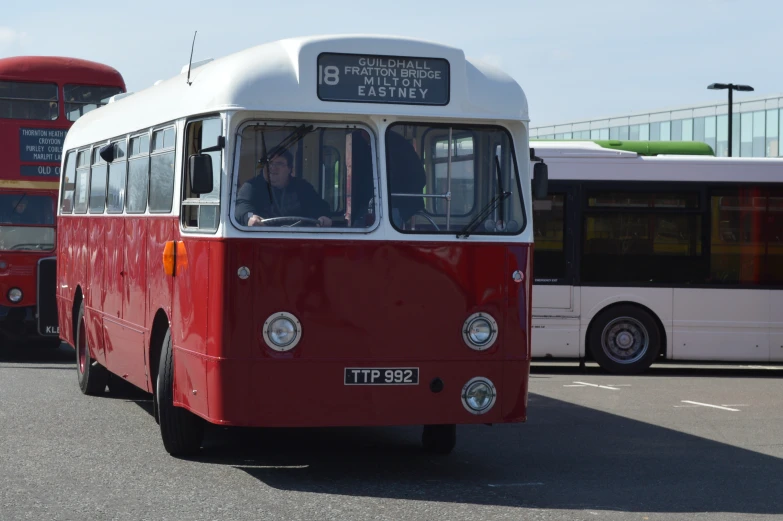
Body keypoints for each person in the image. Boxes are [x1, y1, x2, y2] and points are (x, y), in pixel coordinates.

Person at [235, 149, 333, 227]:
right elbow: (242, 208)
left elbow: (318, 205)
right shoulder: (251, 186)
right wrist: (249, 217)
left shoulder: (302, 187)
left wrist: (323, 216)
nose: (272, 167)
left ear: (290, 169)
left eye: (279, 164)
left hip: (298, 239)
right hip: (263, 237)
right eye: (269, 163)